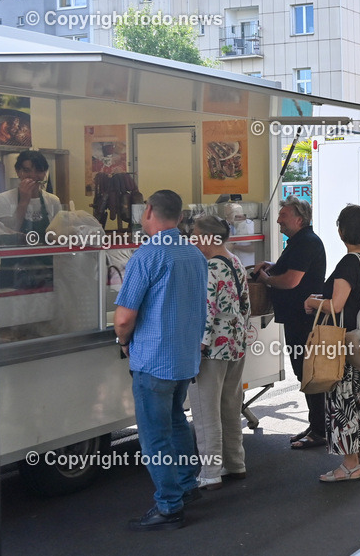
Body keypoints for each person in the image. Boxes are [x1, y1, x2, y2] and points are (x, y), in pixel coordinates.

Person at [114, 190, 208, 531]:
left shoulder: (146, 256)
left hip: (153, 360)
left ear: (149, 210)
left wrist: (122, 340)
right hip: (184, 357)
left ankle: (169, 506)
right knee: (176, 421)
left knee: (154, 436)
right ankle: (186, 485)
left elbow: (124, 318)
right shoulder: (194, 254)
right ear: (180, 217)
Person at [304, 204, 360, 482]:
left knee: (341, 402)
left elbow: (336, 305)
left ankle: (349, 466)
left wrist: (312, 301)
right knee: (354, 399)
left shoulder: (349, 262)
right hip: (359, 338)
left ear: (343, 231)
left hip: (342, 342)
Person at [253, 196, 327, 449]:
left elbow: (292, 281)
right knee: (306, 374)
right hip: (298, 318)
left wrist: (265, 279)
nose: (278, 221)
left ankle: (320, 430)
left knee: (309, 374)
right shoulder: (300, 241)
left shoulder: (305, 242)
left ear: (299, 218)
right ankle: (318, 425)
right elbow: (293, 271)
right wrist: (274, 266)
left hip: (303, 320)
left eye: (283, 216)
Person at [188, 215, 251, 491]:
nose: (192, 238)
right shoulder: (235, 261)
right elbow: (246, 304)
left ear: (208, 238)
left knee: (205, 410)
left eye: (195, 234)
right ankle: (235, 463)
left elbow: (207, 309)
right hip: (236, 342)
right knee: (230, 405)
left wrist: (198, 345)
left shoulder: (210, 266)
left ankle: (210, 471)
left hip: (213, 346)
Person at [0, 150, 62, 234]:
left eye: (38, 171)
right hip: (16, 247)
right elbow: (5, 234)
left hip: (47, 247)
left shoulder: (53, 200)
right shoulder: (4, 198)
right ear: (18, 172)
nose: (33, 176)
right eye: (27, 170)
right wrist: (24, 201)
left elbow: (59, 233)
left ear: (44, 173)